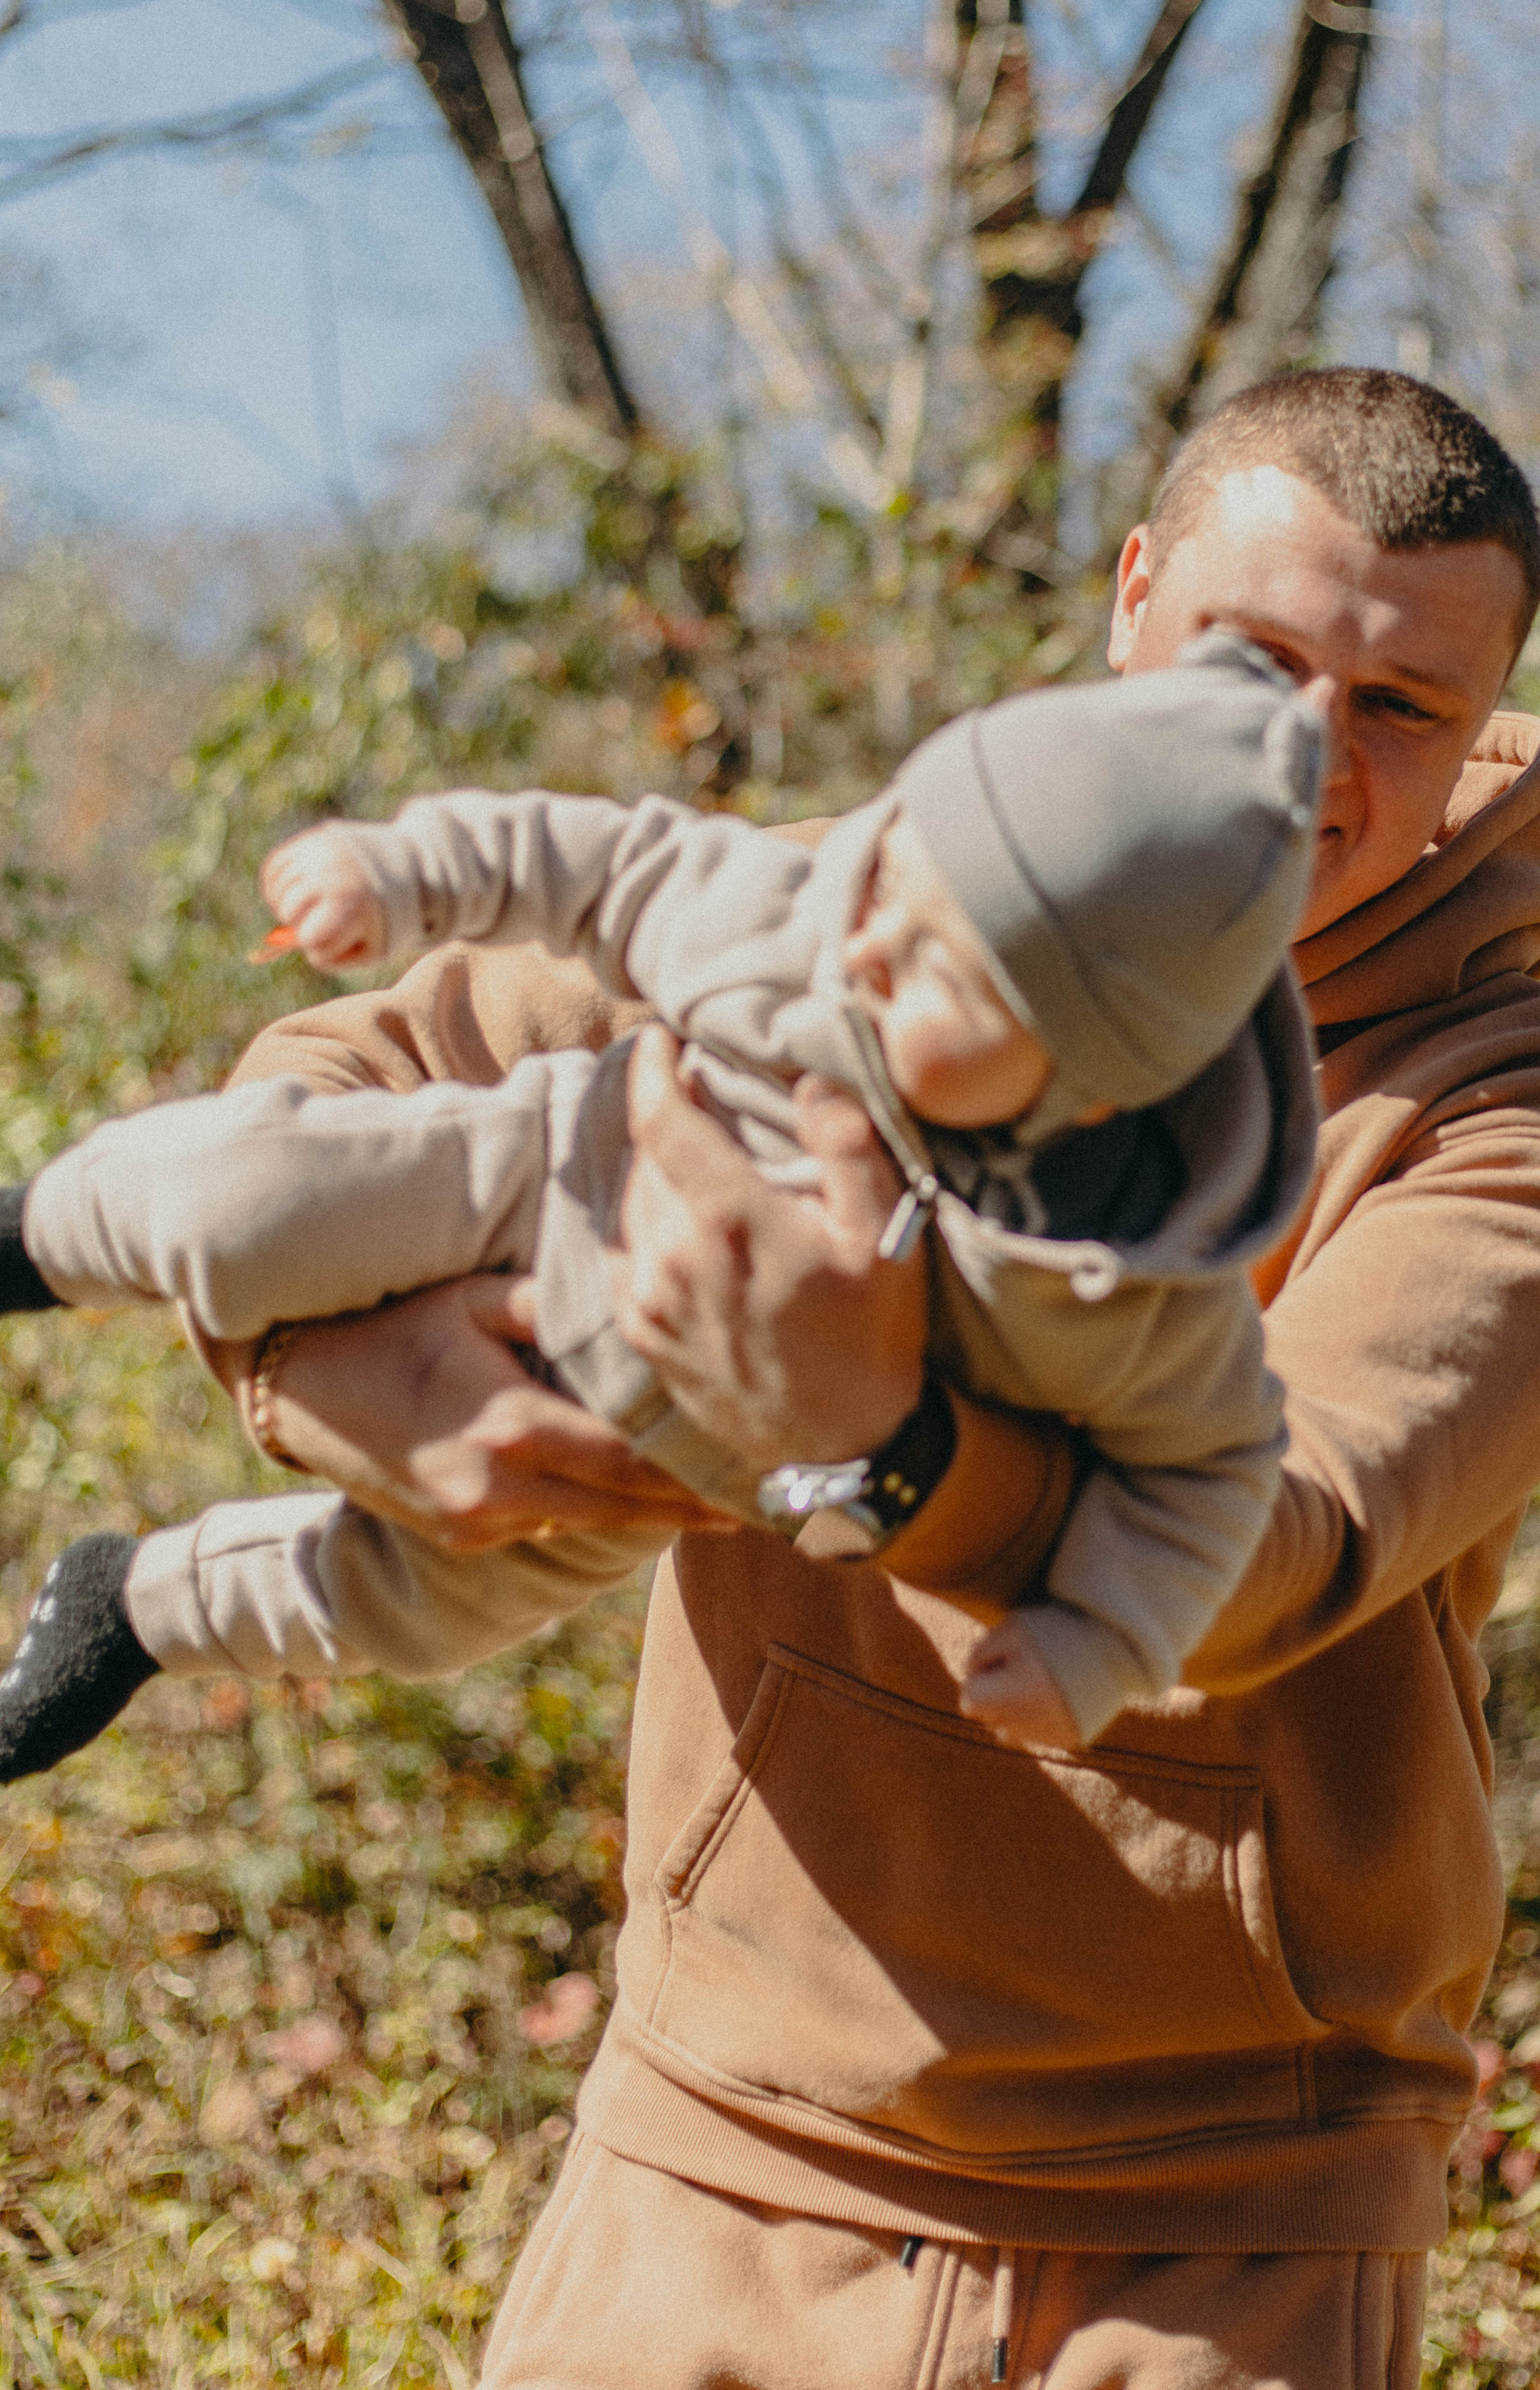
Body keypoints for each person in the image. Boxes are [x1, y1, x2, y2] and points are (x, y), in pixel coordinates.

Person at [0, 368, 1540, 2388]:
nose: (1296, 756)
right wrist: (363, 1386)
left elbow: (1278, 1547)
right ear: (1131, 599)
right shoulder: (872, 902)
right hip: (713, 2141)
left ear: (1491, 708)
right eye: (1250, 657)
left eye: (1399, 705)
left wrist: (883, 1441)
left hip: (1216, 2221)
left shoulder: (1526, 1126)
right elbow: (346, 1083)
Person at [0, 638, 1326, 1766]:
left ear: (1094, 1086)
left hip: (656, 1469)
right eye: (889, 871)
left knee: (418, 1611)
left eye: (939, 966)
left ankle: (140, 1609)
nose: (863, 942)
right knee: (250, 1200)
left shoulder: (1123, 1275)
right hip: (537, 1184)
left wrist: (1095, 1643)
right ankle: (36, 1238)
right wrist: (398, 871)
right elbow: (599, 861)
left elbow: (1211, 1477)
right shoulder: (800, 922)